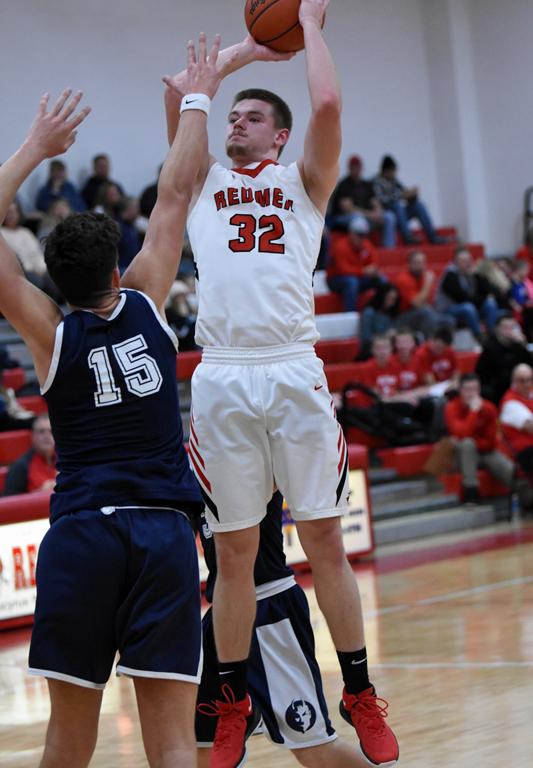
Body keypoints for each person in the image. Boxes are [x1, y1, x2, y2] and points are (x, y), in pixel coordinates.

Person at [163, 7, 399, 767]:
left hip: (294, 367)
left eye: (253, 116)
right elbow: (180, 93)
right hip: (224, 374)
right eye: (232, 115)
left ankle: (359, 692)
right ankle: (232, 697)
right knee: (233, 556)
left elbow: (326, 102)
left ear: (279, 136)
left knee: (325, 541)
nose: (237, 120)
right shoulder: (203, 182)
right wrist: (244, 53)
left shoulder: (305, 183)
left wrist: (307, 25)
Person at [0, 35, 223, 768]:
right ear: (117, 270)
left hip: (84, 534)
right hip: (162, 533)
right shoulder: (148, 299)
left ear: (54, 282)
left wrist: (35, 149)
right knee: (171, 741)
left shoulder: (48, 332)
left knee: (68, 738)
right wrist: (196, 98)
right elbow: (177, 191)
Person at [195, 493, 373, 768]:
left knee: (316, 750)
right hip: (221, 616)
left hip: (270, 607)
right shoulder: (191, 472)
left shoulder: (254, 465)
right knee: (203, 752)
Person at [445, 373, 513, 504]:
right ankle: (470, 492)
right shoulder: (451, 407)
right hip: (461, 455)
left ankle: (525, 496)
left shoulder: (489, 408)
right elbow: (461, 434)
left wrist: (474, 442)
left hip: (485, 452)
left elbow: (491, 442)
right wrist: (473, 412)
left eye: (475, 389)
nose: (472, 394)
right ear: (460, 391)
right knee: (467, 444)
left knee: (511, 471)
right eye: (468, 390)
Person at [373, 155, 448, 245]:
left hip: (400, 215)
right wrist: (401, 196)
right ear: (386, 171)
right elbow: (382, 200)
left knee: (418, 205)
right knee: (398, 206)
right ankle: (408, 237)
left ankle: (433, 237)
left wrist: (412, 195)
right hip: (388, 215)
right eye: (393, 171)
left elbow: (404, 193)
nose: (395, 174)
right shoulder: (376, 181)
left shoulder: (394, 181)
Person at [327, 155, 396, 247]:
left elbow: (375, 202)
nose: (356, 170)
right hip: (343, 218)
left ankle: (388, 249)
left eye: (358, 167)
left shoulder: (366, 184)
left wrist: (378, 212)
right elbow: (348, 209)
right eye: (354, 167)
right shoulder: (344, 185)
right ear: (349, 168)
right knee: (359, 219)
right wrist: (371, 215)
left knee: (389, 216)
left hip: (366, 216)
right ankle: (363, 249)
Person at [435, 247, 500, 337]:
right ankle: (479, 337)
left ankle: (492, 335)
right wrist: (482, 299)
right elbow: (462, 298)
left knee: (490, 303)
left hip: (470, 304)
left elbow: (489, 290)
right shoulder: (450, 276)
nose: (467, 263)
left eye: (469, 260)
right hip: (448, 309)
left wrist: (478, 275)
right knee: (468, 308)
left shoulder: (471, 273)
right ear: (455, 263)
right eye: (463, 261)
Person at [326, 217, 383, 312]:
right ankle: (350, 314)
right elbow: (343, 269)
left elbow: (375, 261)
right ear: (351, 233)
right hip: (336, 279)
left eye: (364, 235)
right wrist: (363, 271)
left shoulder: (366, 244)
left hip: (358, 277)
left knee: (381, 279)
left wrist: (373, 270)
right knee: (351, 282)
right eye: (359, 235)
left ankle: (381, 312)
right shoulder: (340, 246)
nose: (362, 238)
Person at [394, 250, 454, 337]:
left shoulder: (423, 276)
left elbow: (430, 302)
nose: (421, 265)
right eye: (417, 262)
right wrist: (428, 283)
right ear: (409, 264)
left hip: (422, 312)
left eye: (423, 262)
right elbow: (417, 303)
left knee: (449, 320)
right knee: (426, 312)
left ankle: (444, 344)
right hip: (403, 316)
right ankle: (429, 342)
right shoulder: (403, 279)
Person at [476, 313, 533, 404]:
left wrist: (524, 346)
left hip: (520, 383)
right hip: (498, 387)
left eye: (512, 327)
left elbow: (529, 366)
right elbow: (481, 374)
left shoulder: (519, 345)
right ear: (497, 329)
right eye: (505, 327)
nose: (509, 330)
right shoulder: (489, 347)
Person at [3, 413, 57, 496]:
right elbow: (9, 500)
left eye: (51, 431)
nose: (46, 436)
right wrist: (38, 494)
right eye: (41, 431)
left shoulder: (66, 461)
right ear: (33, 436)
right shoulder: (20, 467)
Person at [357, 282, 400, 360]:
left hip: (389, 350)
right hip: (371, 352)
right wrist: (386, 335)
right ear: (382, 296)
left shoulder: (391, 313)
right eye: (389, 298)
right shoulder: (369, 313)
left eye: (394, 299)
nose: (392, 302)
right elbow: (366, 339)